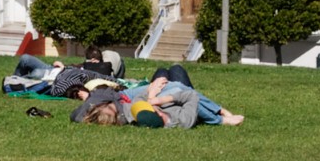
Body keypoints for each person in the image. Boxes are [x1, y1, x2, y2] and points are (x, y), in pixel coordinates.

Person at [73, 64, 244, 128]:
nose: (113, 106)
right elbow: (190, 97)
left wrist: (87, 100)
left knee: (165, 72)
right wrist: (156, 97)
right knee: (177, 81)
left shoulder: (91, 108)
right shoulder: (129, 114)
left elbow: (75, 115)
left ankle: (218, 111)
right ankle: (219, 113)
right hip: (146, 98)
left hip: (127, 94)